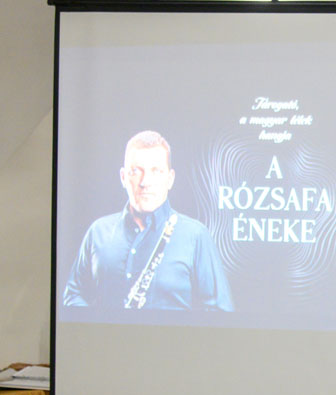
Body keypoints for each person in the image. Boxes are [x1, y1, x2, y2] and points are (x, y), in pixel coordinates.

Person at [63, 130, 233, 311]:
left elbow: (220, 311)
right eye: (136, 171)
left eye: (156, 171)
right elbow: (73, 296)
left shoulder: (195, 235)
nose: (145, 182)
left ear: (170, 179)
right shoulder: (98, 232)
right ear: (123, 177)